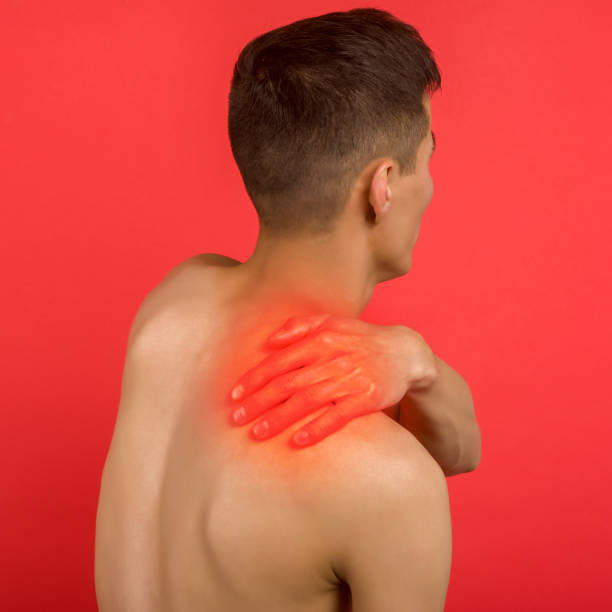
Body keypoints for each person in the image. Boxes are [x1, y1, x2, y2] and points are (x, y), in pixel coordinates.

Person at [95, 8, 480, 611]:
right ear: (383, 187)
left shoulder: (173, 309)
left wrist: (415, 357)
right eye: (428, 153)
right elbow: (455, 458)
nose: (430, 182)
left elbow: (463, 447)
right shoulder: (387, 482)